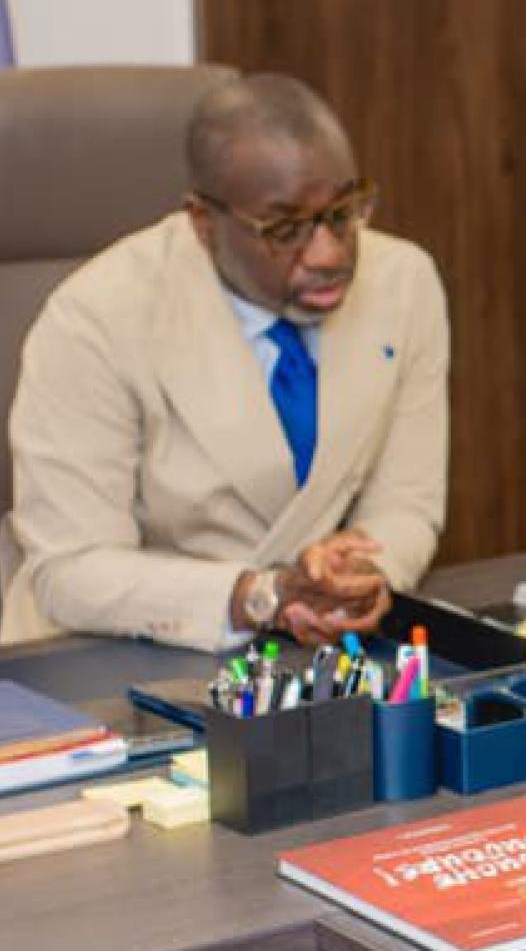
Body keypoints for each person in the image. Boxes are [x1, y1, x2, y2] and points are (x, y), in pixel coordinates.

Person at [1, 73, 449, 650]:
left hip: (309, 647)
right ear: (202, 222)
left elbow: (406, 504)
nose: (329, 253)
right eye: (285, 229)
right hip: (116, 648)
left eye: (343, 212)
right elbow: (71, 570)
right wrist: (257, 595)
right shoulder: (94, 318)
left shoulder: (403, 282)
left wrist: (360, 572)